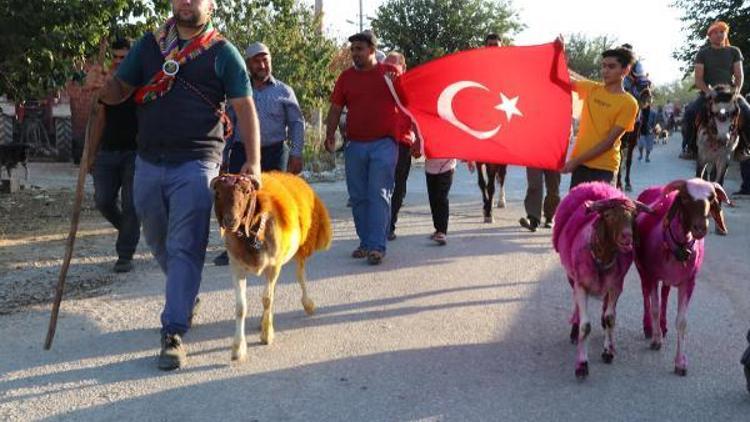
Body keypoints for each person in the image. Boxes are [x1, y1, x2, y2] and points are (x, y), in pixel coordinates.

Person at [91, 0, 261, 370]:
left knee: (185, 245)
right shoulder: (149, 46)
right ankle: (184, 295)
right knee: (156, 237)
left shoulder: (222, 53)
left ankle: (173, 330)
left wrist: (254, 160)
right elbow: (120, 90)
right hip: (148, 161)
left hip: (198, 164)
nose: (186, 2)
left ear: (211, 6)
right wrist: (102, 86)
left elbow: (245, 107)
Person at [213, 42, 305, 266]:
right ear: (249, 65)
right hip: (242, 151)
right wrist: (223, 159)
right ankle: (233, 248)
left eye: (266, 60)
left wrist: (296, 152)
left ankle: (268, 243)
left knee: (271, 200)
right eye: (257, 61)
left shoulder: (284, 91)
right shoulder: (238, 92)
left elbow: (296, 123)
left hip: (275, 151)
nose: (262, 65)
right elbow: (229, 126)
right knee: (234, 200)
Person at [324, 31, 400, 265]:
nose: (355, 53)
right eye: (353, 49)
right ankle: (365, 242)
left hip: (385, 143)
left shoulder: (389, 74)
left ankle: (377, 246)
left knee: (378, 193)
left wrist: (415, 135)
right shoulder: (345, 78)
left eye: (359, 49)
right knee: (358, 197)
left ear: (371, 50)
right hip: (355, 145)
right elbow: (336, 108)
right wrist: (330, 134)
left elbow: (408, 103)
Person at [85, 38, 141, 273]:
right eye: (115, 57)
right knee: (103, 201)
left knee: (131, 205)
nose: (119, 62)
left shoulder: (141, 83)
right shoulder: (105, 86)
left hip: (134, 154)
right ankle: (128, 230)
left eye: (124, 58)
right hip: (108, 153)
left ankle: (125, 254)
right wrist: (90, 153)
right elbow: (99, 120)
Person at [559, 41, 639, 189]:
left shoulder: (629, 103)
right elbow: (560, 79)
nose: (605, 71)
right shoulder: (591, 89)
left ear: (626, 70)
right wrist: (559, 53)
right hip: (580, 165)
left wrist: (574, 162)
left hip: (604, 169)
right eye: (603, 66)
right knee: (577, 211)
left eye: (611, 66)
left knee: (599, 212)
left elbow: (608, 143)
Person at [681, 21, 750, 159]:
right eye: (715, 32)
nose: (719, 35)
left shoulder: (734, 51)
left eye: (722, 32)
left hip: (730, 94)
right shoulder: (703, 53)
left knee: (747, 112)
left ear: (725, 34)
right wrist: (708, 91)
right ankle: (690, 147)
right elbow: (699, 79)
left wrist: (736, 92)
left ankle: (743, 147)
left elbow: (739, 75)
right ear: (709, 36)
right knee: (690, 113)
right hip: (710, 93)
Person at [384, 51, 415, 241]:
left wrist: (419, 140)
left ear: (403, 68)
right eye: (387, 65)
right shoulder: (379, 85)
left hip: (402, 143)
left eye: (394, 66)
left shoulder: (409, 87)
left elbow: (416, 115)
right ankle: (382, 224)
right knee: (381, 186)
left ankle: (390, 224)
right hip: (382, 141)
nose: (391, 70)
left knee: (399, 186)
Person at [518, 167, 560, 231]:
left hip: (553, 158)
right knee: (534, 184)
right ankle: (533, 218)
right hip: (535, 158)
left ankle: (549, 217)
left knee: (553, 187)